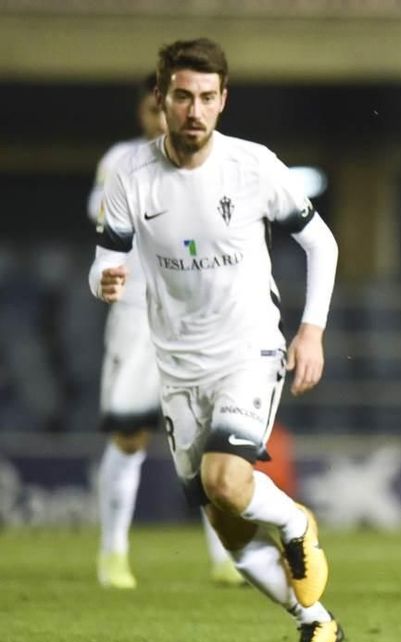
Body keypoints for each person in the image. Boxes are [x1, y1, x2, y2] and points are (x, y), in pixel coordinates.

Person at [88, 38, 342, 642]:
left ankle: (294, 523)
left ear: (223, 100)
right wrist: (106, 280)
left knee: (227, 479)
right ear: (162, 99)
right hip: (177, 365)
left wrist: (310, 330)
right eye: (182, 96)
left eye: (207, 97)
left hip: (247, 348)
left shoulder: (252, 166)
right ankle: (314, 619)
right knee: (226, 527)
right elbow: (102, 265)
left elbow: (323, 244)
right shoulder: (131, 178)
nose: (195, 110)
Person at [89, 73, 242, 589]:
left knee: (205, 441)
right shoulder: (122, 161)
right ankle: (113, 553)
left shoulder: (218, 164)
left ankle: (224, 554)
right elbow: (106, 219)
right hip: (137, 313)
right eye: (158, 109)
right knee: (130, 434)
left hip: (196, 317)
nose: (167, 119)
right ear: (148, 111)